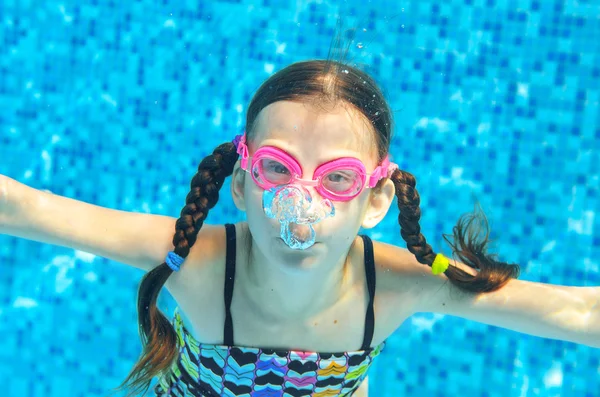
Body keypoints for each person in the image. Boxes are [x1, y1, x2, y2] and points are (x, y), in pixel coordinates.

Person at [1, 54, 598, 397]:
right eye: (276, 169)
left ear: (376, 201)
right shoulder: (201, 267)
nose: (299, 204)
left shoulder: (394, 284)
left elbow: (573, 313)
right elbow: (27, 209)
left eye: (336, 178)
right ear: (240, 184)